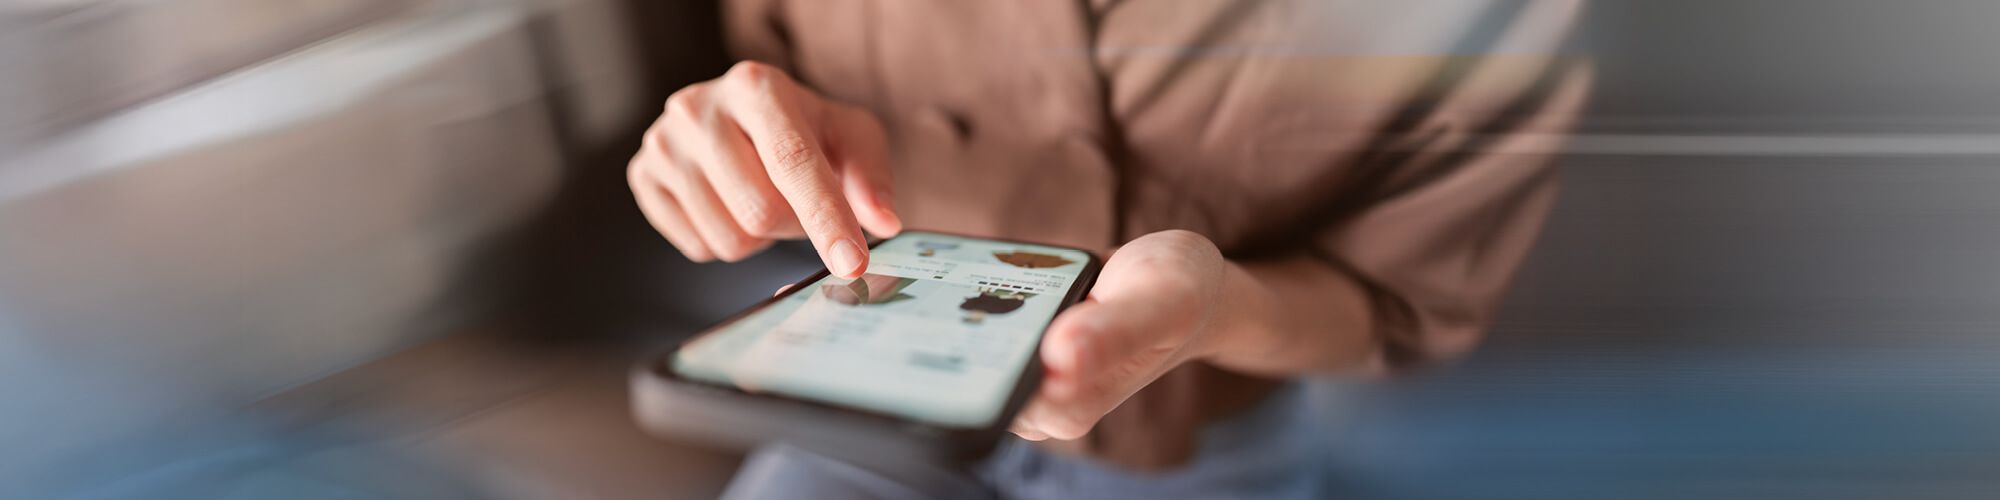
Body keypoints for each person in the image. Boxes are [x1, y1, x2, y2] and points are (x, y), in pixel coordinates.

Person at [626, 1, 1589, 497]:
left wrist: (1216, 311)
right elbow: (768, 74)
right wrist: (719, 145)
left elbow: (1394, 297)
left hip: (1198, 442)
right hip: (871, 397)